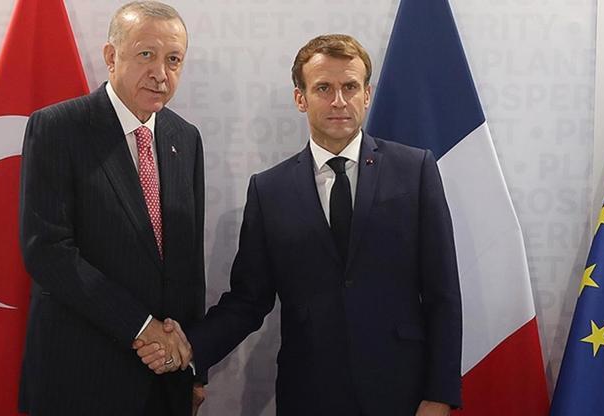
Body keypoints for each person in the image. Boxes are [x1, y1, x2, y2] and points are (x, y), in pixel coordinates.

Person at [140, 34, 463, 415]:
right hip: (309, 394)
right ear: (300, 98)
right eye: (323, 88)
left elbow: (443, 292)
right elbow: (248, 300)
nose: (338, 100)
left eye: (350, 87)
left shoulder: (415, 170)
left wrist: (440, 394)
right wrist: (190, 348)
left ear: (367, 95)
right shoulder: (269, 190)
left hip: (403, 394)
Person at [18, 2, 205, 415]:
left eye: (173, 59)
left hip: (165, 380)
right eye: (146, 54)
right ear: (110, 56)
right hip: (82, 378)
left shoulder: (186, 138)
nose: (161, 73)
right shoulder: (58, 128)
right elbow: (47, 250)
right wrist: (141, 327)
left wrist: (194, 368)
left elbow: (188, 263)